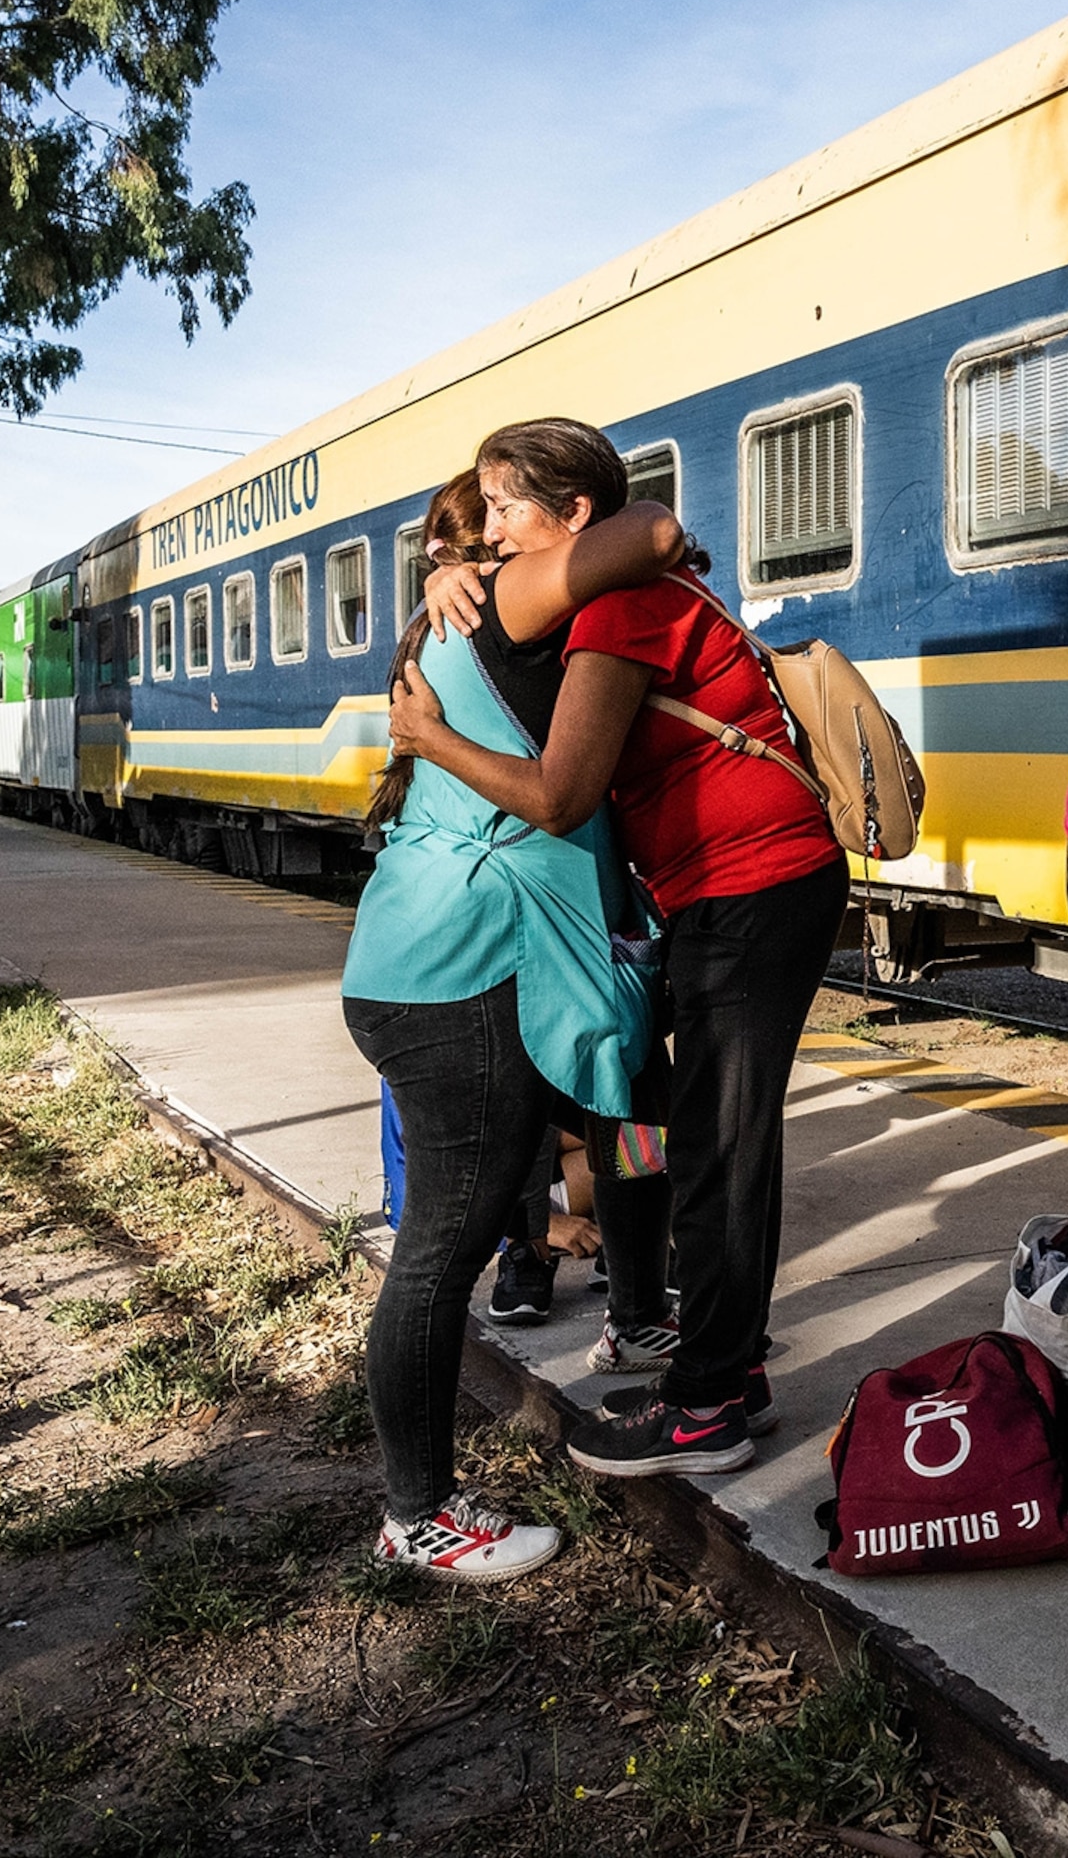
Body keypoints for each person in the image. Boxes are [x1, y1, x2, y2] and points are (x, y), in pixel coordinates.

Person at [400, 431, 847, 1483]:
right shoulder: (622, 592)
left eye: (509, 507)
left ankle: (705, 1409)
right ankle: (725, 1371)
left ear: (573, 518)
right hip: (729, 887)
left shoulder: (623, 606)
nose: (495, 528)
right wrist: (447, 571)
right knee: (707, 1138)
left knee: (717, 1146)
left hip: (755, 883)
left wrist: (432, 740)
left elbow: (561, 794)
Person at [343, 441, 686, 1582]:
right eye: (477, 517)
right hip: (468, 965)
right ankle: (420, 1510)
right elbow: (651, 535)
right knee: (448, 1239)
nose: (490, 532)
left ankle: (641, 1309)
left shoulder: (452, 612)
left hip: (525, 963)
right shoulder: (506, 591)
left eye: (501, 511)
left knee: (630, 1117)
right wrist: (496, 556)